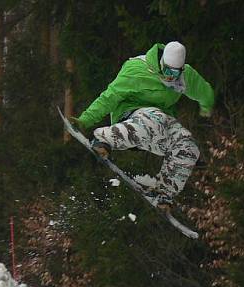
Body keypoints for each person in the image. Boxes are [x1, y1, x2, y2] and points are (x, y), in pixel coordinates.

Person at [74, 41, 215, 209]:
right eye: (168, 71)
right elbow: (109, 97)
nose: (171, 77)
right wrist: (85, 120)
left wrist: (206, 107)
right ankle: (104, 138)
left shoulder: (185, 78)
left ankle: (164, 193)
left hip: (158, 125)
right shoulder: (137, 69)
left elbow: (205, 91)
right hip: (129, 116)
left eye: (176, 73)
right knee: (156, 118)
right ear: (161, 63)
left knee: (188, 145)